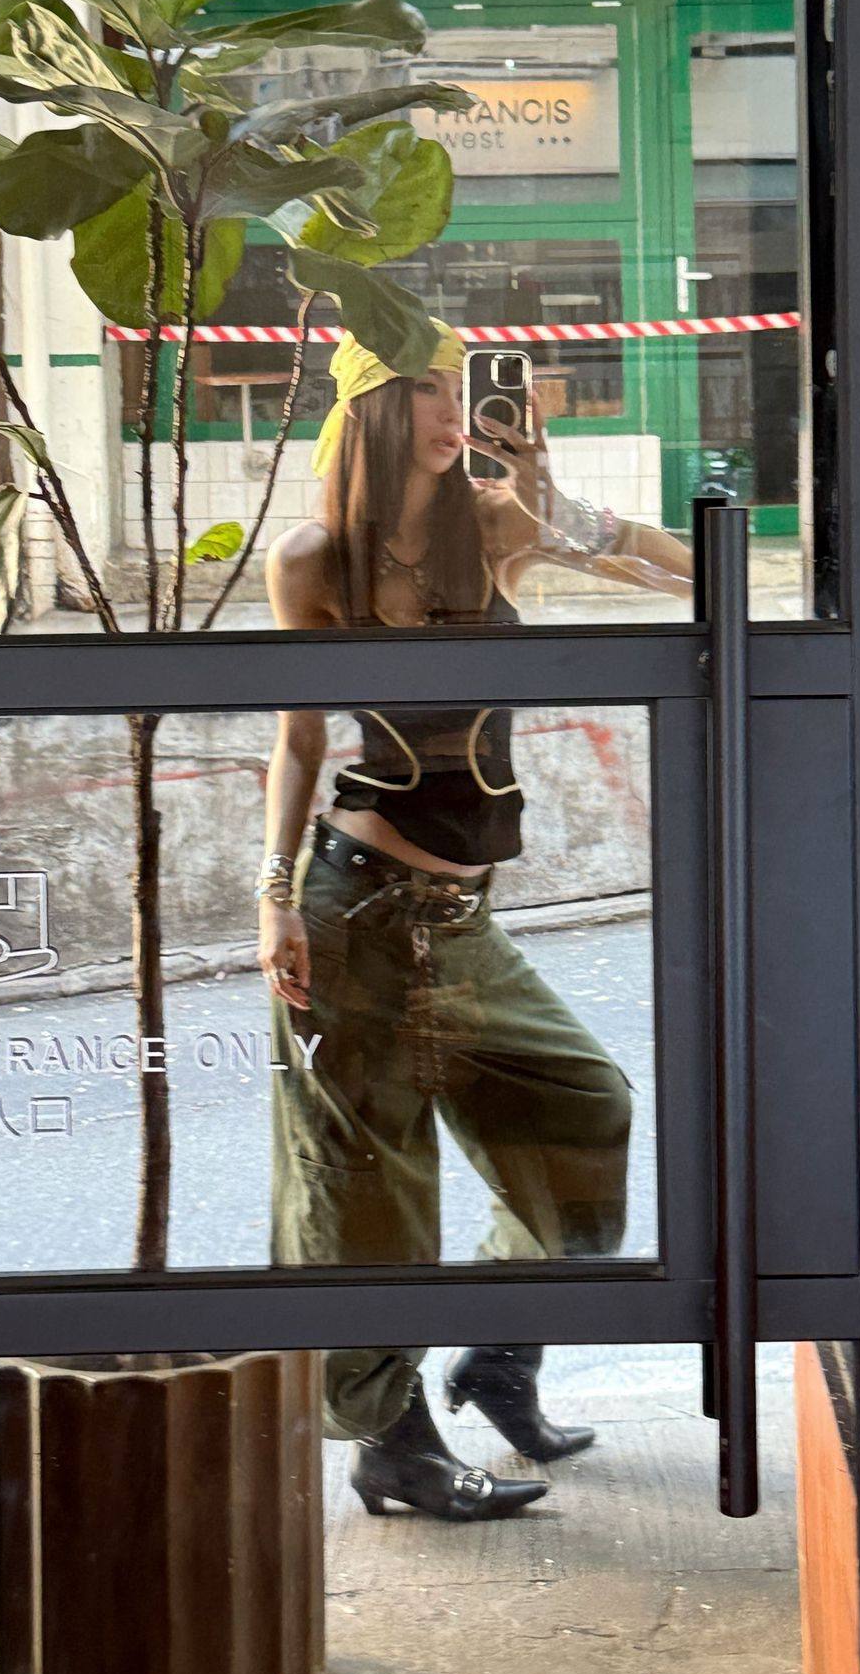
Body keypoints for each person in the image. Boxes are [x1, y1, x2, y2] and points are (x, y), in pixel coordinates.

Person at [258, 320, 693, 1522]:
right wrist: (273, 894)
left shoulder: (494, 525)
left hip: (461, 919)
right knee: (366, 1192)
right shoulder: (313, 560)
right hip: (356, 906)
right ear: (375, 411)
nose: (458, 411)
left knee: (583, 1105)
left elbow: (658, 565)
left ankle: (500, 1355)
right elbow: (298, 734)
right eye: (432, 392)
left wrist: (546, 482)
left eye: (467, 389)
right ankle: (390, 1442)